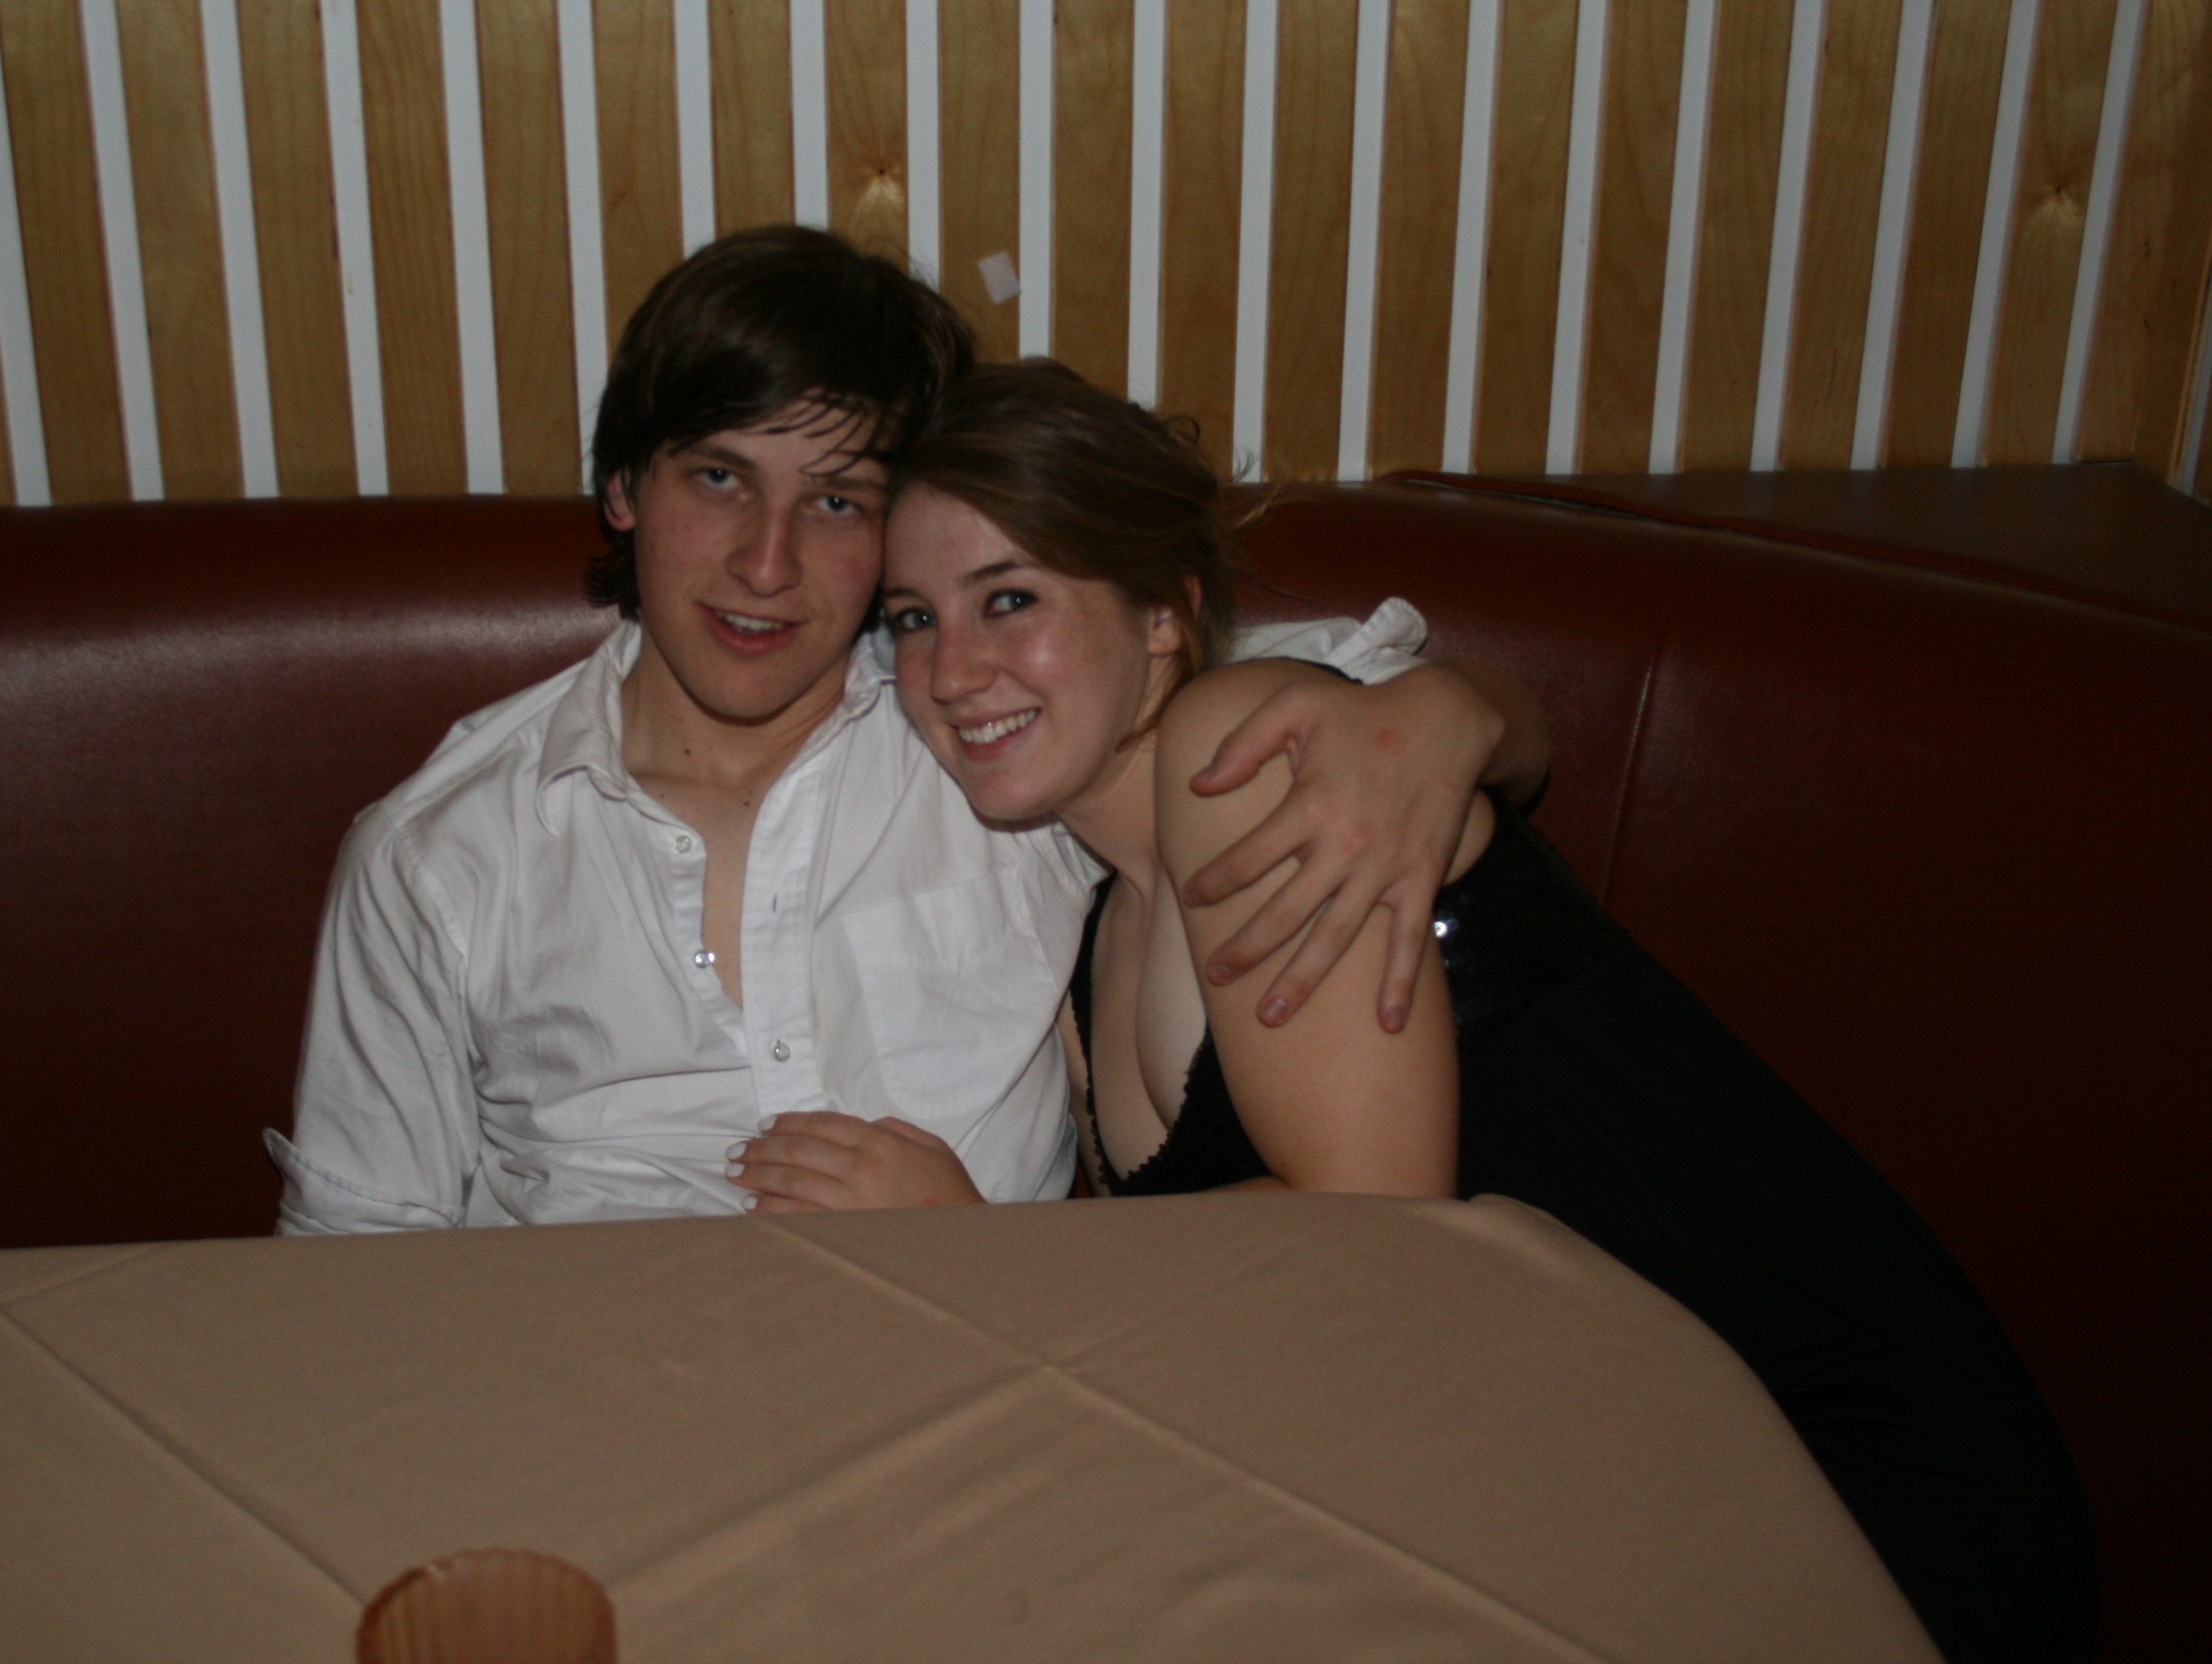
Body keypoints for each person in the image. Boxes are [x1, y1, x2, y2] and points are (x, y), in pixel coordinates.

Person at [744, 359, 2097, 1664]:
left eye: (1010, 598)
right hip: (1590, 1485)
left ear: (1162, 611)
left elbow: (1375, 1240)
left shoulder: (1248, 754)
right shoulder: (1098, 925)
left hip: (1827, 1471)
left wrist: (988, 1256)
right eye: (913, 619)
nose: (952, 669)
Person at [270, 227, 1544, 1233]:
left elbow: (1305, 675)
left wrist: (1462, 711)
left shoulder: (990, 735)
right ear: (621, 487)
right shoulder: (439, 856)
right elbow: (356, 1269)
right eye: (718, 477)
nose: (767, 564)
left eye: (837, 501)